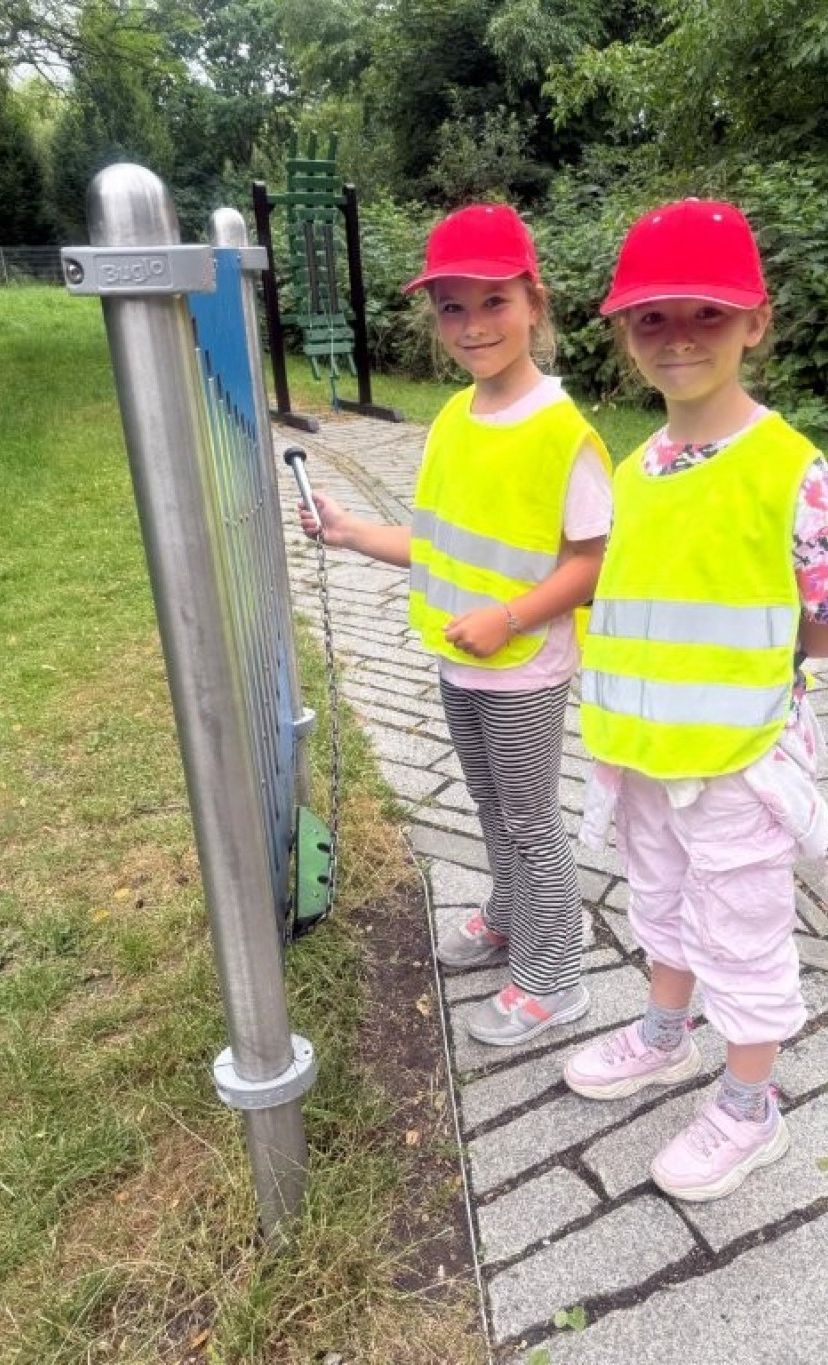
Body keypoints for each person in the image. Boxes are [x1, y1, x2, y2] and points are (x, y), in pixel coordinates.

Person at [564, 199, 828, 1201]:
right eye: (652, 317)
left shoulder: (792, 473)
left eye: (707, 313)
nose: (679, 336)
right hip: (642, 753)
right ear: (625, 334)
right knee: (658, 901)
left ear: (754, 323)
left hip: (737, 759)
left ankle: (748, 1104)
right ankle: (665, 1032)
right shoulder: (631, 472)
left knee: (741, 929)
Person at [299, 204, 613, 1046]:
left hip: (523, 667)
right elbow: (435, 544)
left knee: (531, 820)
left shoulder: (563, 434)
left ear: (535, 302)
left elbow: (594, 561)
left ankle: (556, 975)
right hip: (458, 660)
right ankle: (509, 913)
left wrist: (510, 616)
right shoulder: (452, 417)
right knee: (487, 801)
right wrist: (350, 531)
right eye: (452, 307)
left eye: (494, 301)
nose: (473, 325)